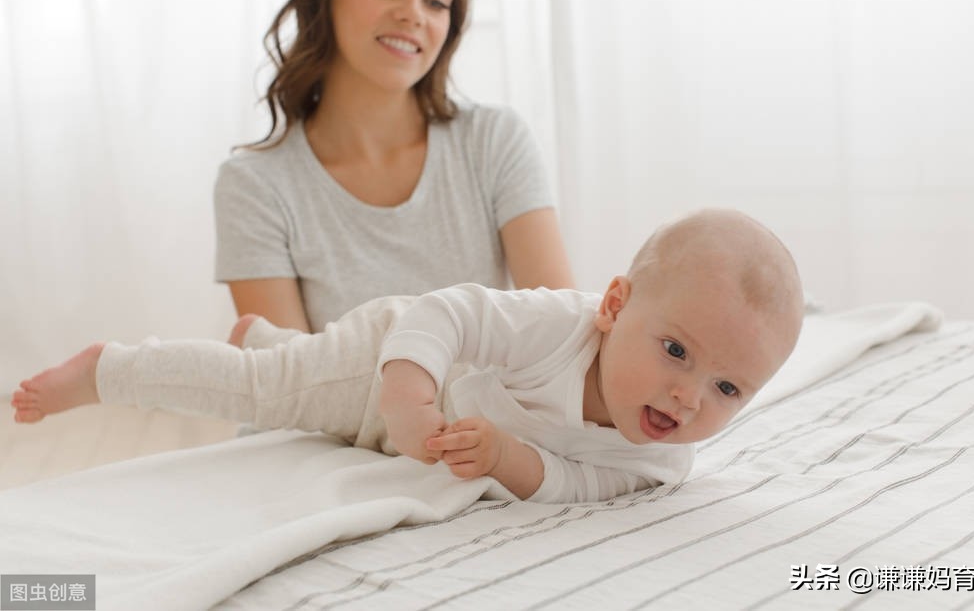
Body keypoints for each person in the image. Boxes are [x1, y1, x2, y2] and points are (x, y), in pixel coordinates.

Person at [12, 210, 804, 503]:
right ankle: (108, 369)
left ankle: (264, 337)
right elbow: (447, 312)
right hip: (388, 368)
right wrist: (406, 389)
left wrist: (505, 458)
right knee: (269, 392)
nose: (688, 396)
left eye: (728, 387)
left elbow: (577, 482)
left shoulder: (667, 462)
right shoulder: (555, 329)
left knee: (291, 368)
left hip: (416, 427)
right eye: (675, 350)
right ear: (613, 306)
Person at [217, 0, 573, 338]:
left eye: (436, 1)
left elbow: (560, 338)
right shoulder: (253, 186)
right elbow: (291, 386)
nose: (414, 14)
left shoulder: (494, 140)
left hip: (494, 405)